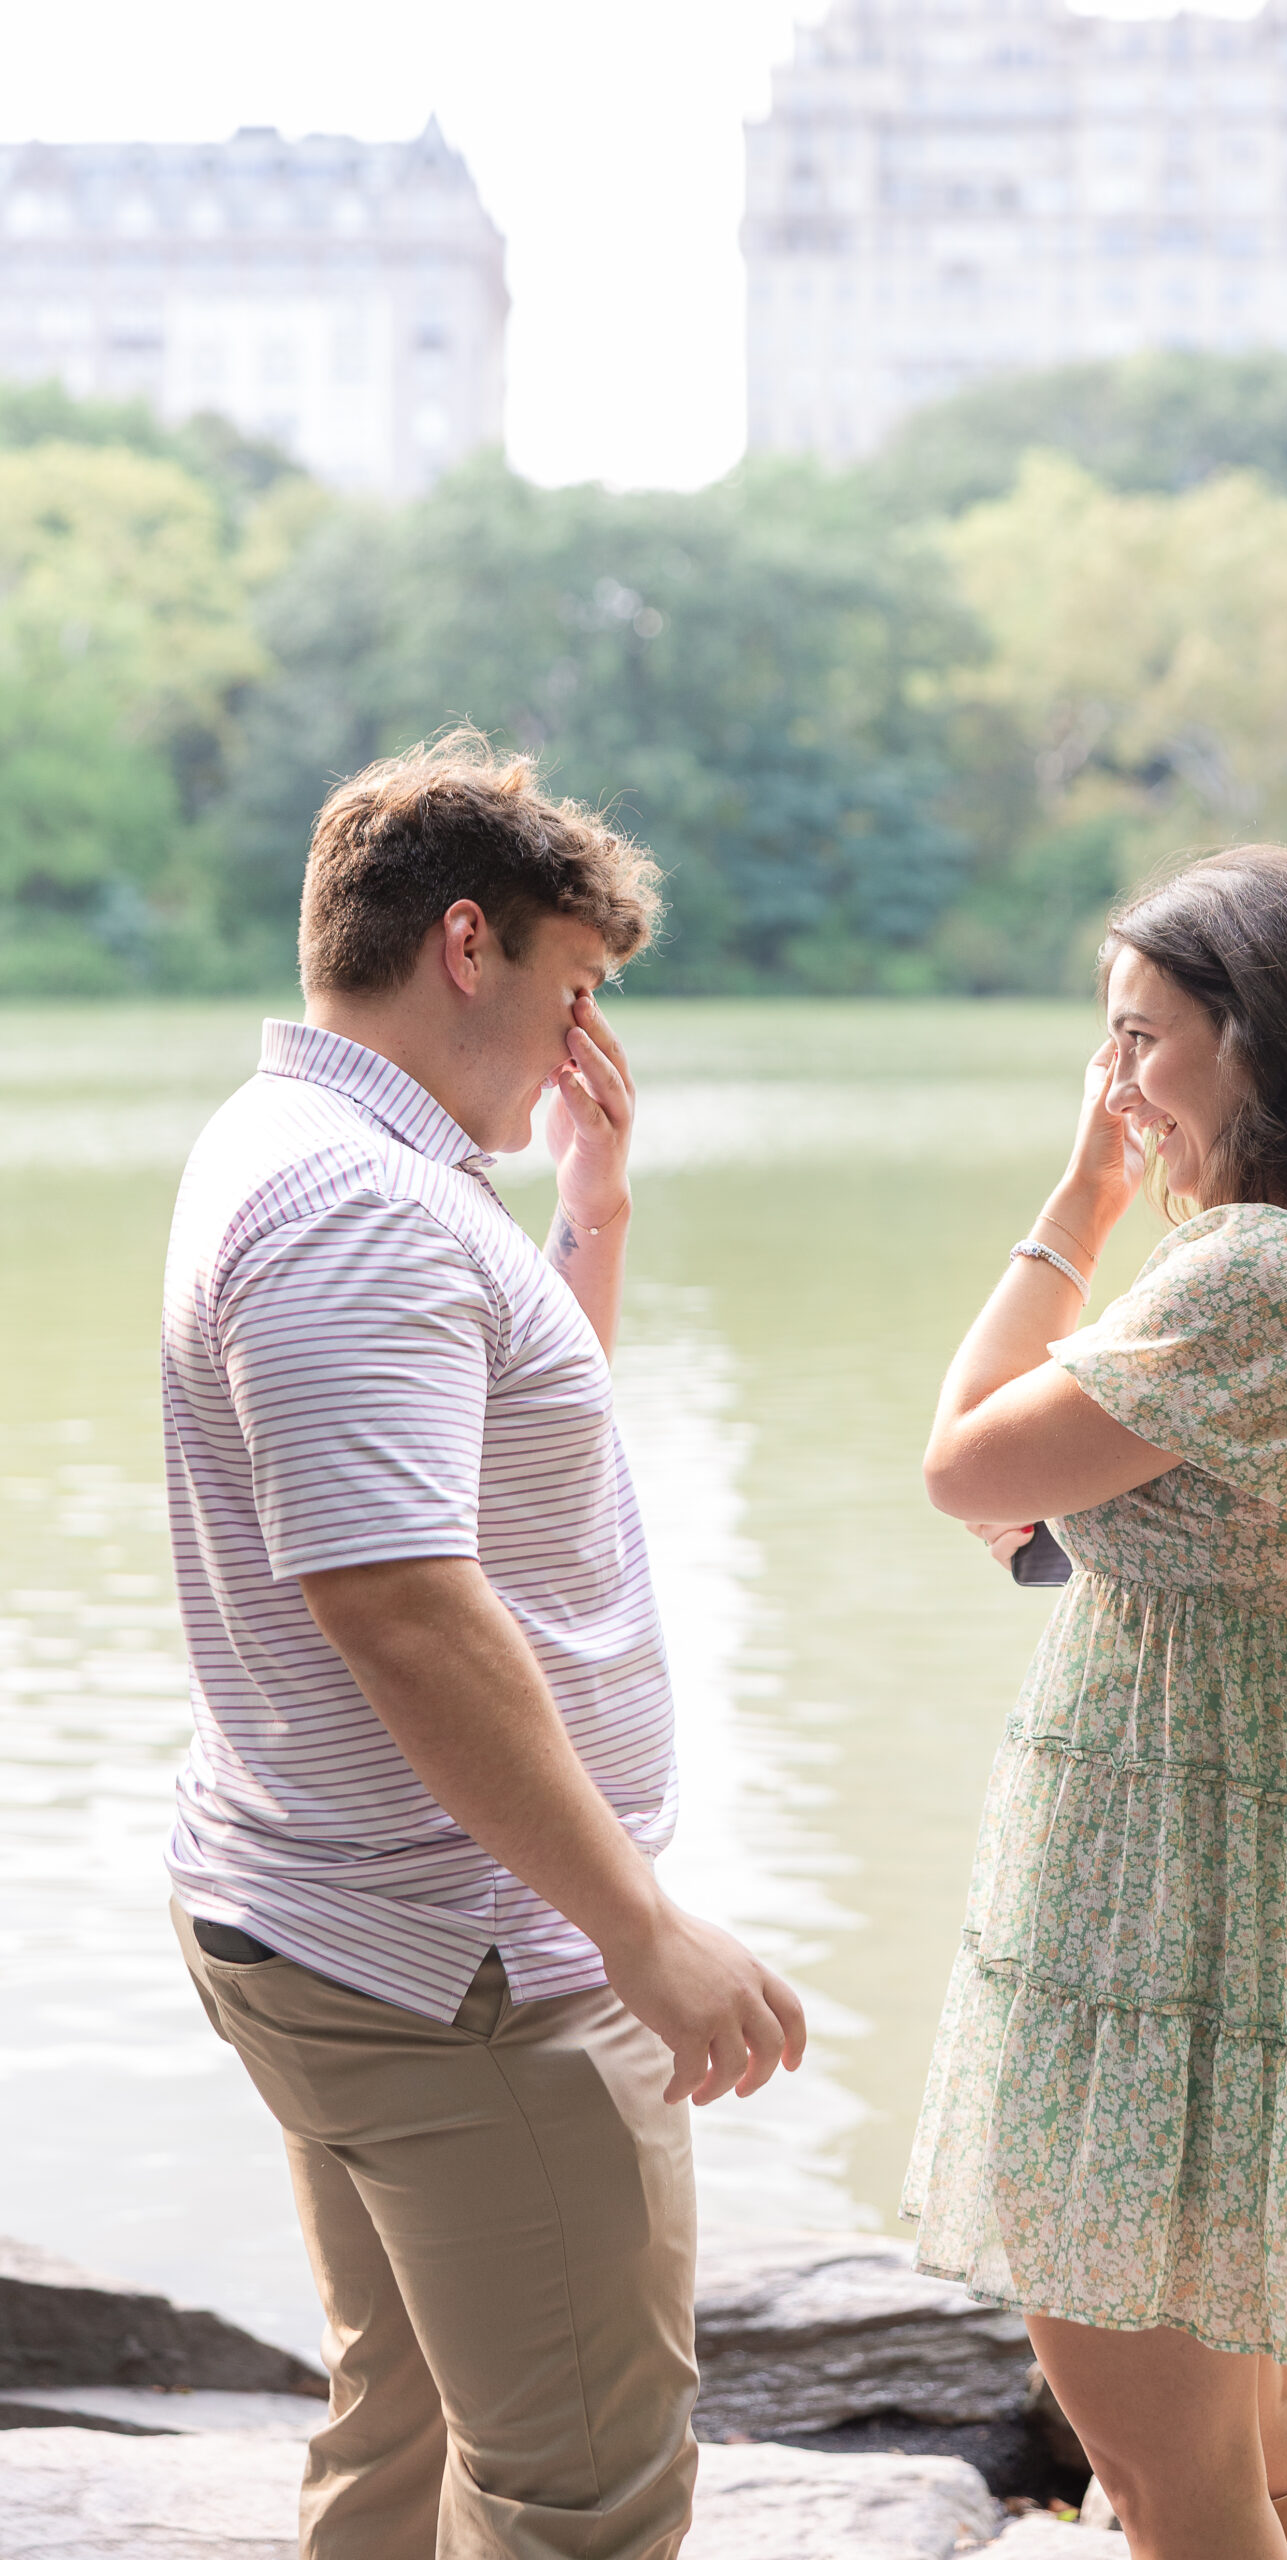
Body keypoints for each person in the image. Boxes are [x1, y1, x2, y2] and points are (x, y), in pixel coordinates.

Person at [161, 731, 806, 2560]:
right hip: (463, 1966)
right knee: (580, 2499)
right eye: (573, 986)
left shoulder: (323, 1149)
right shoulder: (354, 1213)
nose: (579, 1037)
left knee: (409, 2414)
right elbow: (404, 1612)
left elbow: (496, 1468)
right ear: (469, 945)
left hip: (342, 1916)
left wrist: (589, 1210)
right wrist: (641, 1930)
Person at [905, 846, 1287, 2560]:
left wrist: (1081, 1199)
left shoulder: (1256, 1276)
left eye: (1140, 1041)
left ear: (1255, 1039)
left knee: (1161, 2456)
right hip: (1253, 1907)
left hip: (1154, 1917)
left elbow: (962, 1461)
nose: (1119, 1086)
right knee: (1250, 2407)